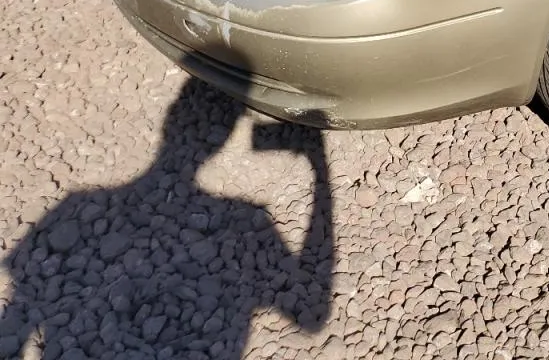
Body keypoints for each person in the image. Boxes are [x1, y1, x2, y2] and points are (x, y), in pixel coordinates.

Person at [0, 75, 332, 359]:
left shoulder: (76, 206)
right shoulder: (247, 221)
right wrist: (319, 170)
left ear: (166, 126)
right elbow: (313, 315)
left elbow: (18, 312)